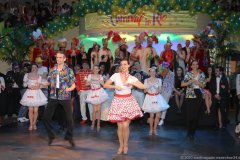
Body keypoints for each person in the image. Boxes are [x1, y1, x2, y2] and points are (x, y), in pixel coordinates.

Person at [104, 59, 145, 154]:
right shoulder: (116, 75)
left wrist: (132, 83)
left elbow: (143, 86)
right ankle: (121, 145)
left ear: (128, 65)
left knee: (126, 126)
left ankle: (126, 145)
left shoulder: (131, 77)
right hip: (118, 101)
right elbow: (106, 85)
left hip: (128, 101)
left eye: (125, 64)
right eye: (122, 64)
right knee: (120, 126)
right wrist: (115, 87)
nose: (123, 66)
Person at [43, 51, 76, 147]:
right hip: (54, 95)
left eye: (60, 57)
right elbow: (48, 82)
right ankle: (51, 136)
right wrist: (41, 83)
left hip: (65, 96)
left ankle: (69, 137)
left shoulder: (69, 70)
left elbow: (73, 84)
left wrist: (69, 89)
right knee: (46, 117)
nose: (58, 59)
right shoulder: (52, 69)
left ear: (64, 59)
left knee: (70, 119)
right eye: (57, 57)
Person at [181, 60, 206, 140]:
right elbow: (182, 84)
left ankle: (193, 132)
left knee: (196, 114)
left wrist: (199, 83)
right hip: (190, 94)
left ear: (198, 65)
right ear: (191, 66)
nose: (195, 66)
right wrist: (190, 81)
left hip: (198, 94)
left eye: (196, 64)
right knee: (189, 114)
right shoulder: (188, 74)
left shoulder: (201, 74)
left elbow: (203, 86)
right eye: (193, 64)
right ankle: (189, 131)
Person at [142, 67, 169, 135]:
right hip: (150, 97)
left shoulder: (159, 80)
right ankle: (151, 129)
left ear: (156, 72)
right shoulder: (146, 80)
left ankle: (155, 129)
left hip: (157, 97)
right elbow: (144, 91)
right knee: (151, 115)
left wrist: (157, 89)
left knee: (157, 115)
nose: (152, 73)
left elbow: (160, 90)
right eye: (151, 71)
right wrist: (148, 88)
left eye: (154, 71)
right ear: (149, 72)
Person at [20, 64, 48, 130]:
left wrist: (37, 86)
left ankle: (34, 123)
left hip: (37, 93)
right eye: (32, 67)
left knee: (35, 110)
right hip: (29, 93)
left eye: (35, 67)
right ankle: (31, 124)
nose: (33, 68)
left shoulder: (39, 76)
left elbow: (41, 85)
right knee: (30, 109)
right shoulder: (27, 75)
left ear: (37, 69)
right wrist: (26, 83)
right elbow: (24, 85)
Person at [85, 65, 108, 131]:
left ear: (98, 70)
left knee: (99, 109)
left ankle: (98, 124)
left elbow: (103, 85)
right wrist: (89, 81)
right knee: (94, 110)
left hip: (99, 92)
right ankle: (93, 123)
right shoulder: (90, 76)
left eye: (96, 69)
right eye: (94, 69)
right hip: (93, 93)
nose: (95, 70)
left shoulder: (100, 76)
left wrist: (99, 80)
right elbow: (86, 84)